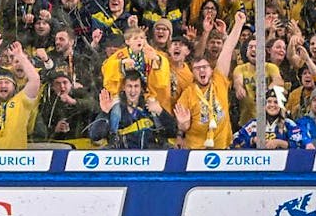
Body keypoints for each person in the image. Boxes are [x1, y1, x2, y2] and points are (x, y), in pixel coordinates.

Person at [174, 10, 246, 149]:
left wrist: (238, 24)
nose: (201, 70)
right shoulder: (187, 94)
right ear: (193, 73)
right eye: (197, 68)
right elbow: (183, 127)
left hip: (222, 147)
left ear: (211, 70)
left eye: (204, 67)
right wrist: (183, 123)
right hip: (196, 150)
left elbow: (228, 49)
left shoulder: (219, 80)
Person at [89, 69, 178, 148]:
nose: (133, 91)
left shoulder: (150, 108)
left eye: (136, 86)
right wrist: (105, 112)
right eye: (129, 86)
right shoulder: (115, 110)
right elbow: (95, 135)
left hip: (148, 157)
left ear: (141, 88)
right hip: (121, 157)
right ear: (124, 87)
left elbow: (173, 132)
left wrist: (161, 112)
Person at [232, 86, 302, 149]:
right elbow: (236, 139)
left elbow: (299, 144)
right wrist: (253, 140)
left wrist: (279, 143)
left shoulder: (288, 124)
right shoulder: (254, 124)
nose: (272, 105)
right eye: (269, 101)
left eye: (276, 102)